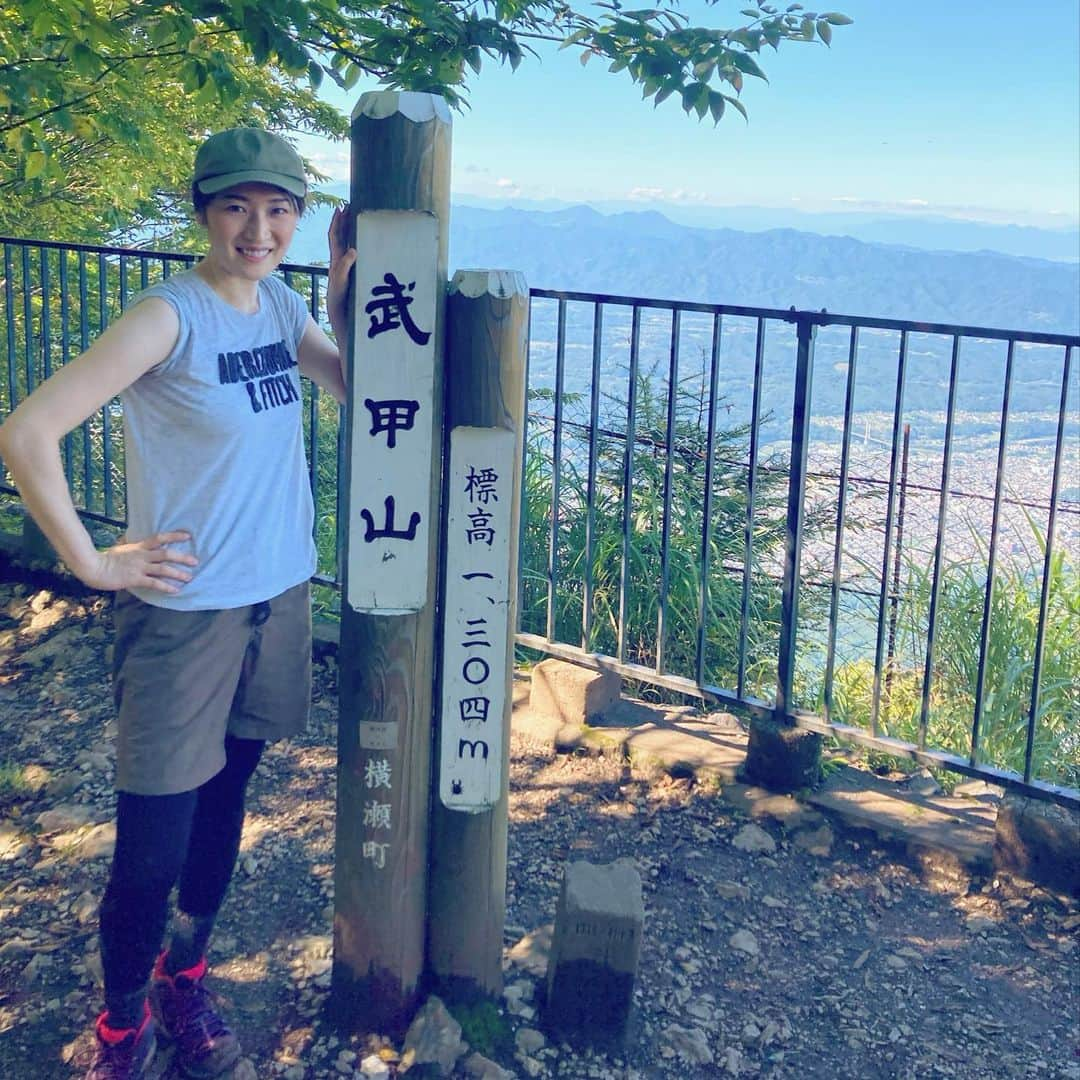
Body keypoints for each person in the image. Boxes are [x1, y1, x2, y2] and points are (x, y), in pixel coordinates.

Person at [0, 127, 356, 1079]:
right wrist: (91, 561)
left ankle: (182, 979)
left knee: (227, 804)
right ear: (203, 209)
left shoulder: (279, 306)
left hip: (274, 600)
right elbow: (30, 428)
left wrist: (345, 300)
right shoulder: (170, 315)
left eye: (279, 208)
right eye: (238, 206)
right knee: (152, 844)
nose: (259, 227)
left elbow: (358, 389)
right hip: (184, 614)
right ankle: (122, 1029)